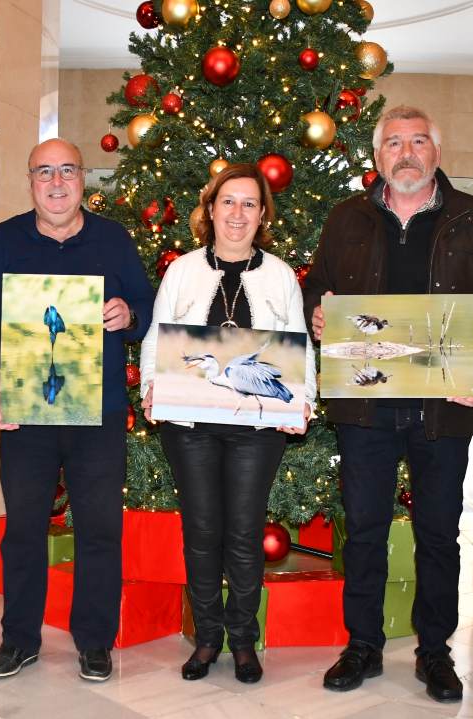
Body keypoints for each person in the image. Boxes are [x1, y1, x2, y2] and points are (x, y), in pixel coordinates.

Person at [304, 106, 473, 701]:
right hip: (365, 407)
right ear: (378, 156)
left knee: (437, 533)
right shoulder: (346, 218)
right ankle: (363, 645)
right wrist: (317, 314)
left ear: (437, 151)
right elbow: (315, 287)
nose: (406, 153)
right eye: (394, 143)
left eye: (419, 141)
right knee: (365, 529)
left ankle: (435, 651)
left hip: (443, 407)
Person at [0, 138, 154, 683]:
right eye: (44, 171)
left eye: (67, 170)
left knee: (99, 529)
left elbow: (144, 304)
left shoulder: (113, 240)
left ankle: (94, 642)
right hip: (26, 411)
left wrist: (128, 314)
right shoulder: (2, 243)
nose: (56, 181)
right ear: (30, 181)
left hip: (97, 415)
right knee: (23, 528)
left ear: (82, 180)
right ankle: (19, 640)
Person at [138, 163, 316, 683]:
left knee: (242, 532)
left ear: (263, 214)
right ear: (210, 209)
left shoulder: (281, 276)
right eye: (228, 202)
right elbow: (156, 335)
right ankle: (206, 639)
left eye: (249, 204)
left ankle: (243, 641)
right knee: (201, 531)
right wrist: (152, 384)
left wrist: (302, 398)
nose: (237, 213)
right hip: (189, 424)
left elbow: (296, 346)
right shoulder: (182, 270)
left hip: (256, 428)